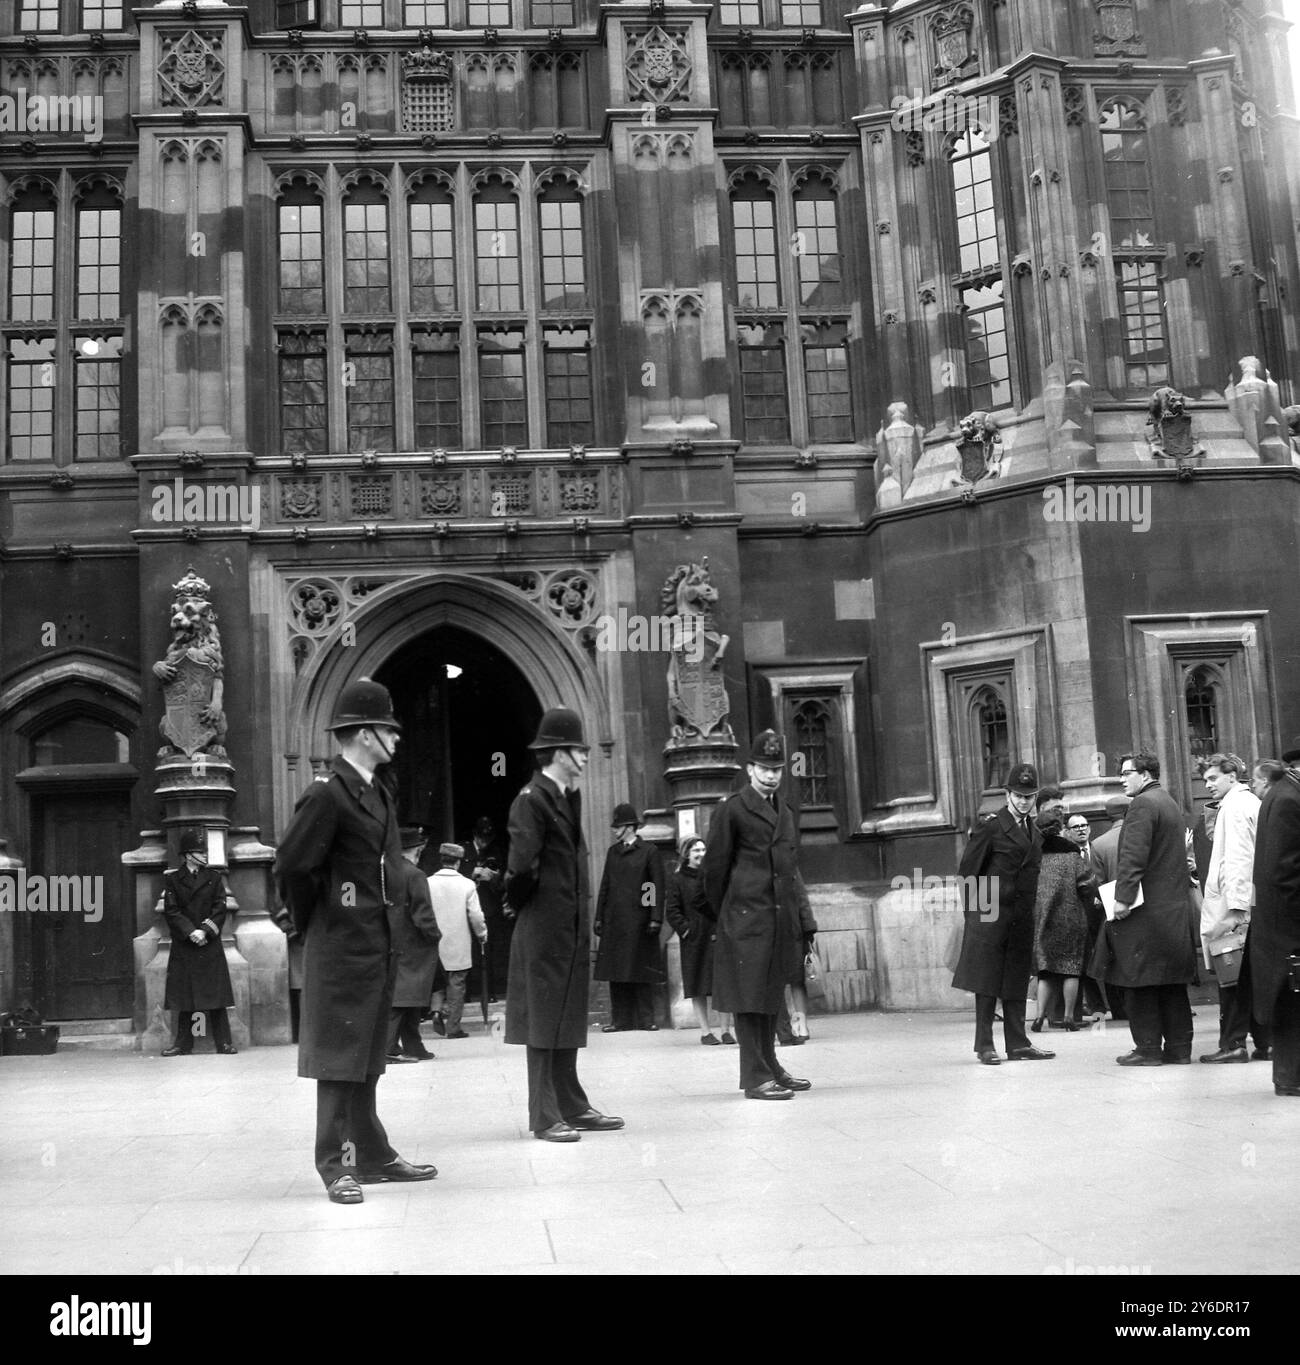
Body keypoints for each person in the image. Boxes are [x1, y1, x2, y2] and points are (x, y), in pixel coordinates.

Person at [273, 678, 438, 1204]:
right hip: (342, 946)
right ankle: (335, 1163)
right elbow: (292, 866)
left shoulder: (376, 790)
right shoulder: (327, 793)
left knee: (367, 1056)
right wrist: (316, 923)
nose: (397, 738)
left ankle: (372, 1153)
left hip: (377, 945)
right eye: (390, 729)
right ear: (366, 734)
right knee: (340, 1060)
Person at [504, 707, 623, 1141]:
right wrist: (529, 910)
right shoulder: (531, 799)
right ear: (558, 753)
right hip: (543, 928)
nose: (586, 758)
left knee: (566, 1015)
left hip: (566, 927)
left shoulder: (563, 796)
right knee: (543, 1020)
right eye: (579, 750)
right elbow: (521, 869)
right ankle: (545, 1115)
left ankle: (571, 1103)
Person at [704, 730, 817, 1100]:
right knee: (749, 1000)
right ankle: (754, 1077)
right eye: (764, 769)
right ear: (749, 768)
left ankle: (771, 1066)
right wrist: (730, 913)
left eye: (777, 769)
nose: (771, 776)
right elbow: (714, 871)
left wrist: (801, 922)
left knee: (769, 996)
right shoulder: (732, 809)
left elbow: (791, 868)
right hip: (745, 921)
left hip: (778, 920)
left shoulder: (784, 810)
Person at [951, 762, 1055, 1065]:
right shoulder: (991, 826)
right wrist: (976, 917)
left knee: (1016, 980)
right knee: (986, 982)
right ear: (1008, 794)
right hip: (990, 917)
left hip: (1020, 919)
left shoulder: (1034, 831)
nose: (1024, 801)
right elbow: (967, 874)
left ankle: (1018, 1044)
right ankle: (984, 1045)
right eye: (1019, 796)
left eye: (1030, 796)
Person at [1099, 751, 1197, 1066]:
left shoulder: (1142, 805)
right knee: (1170, 983)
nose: (1122, 779)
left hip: (1147, 912)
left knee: (1138, 980)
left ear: (1145, 774)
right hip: (1172, 912)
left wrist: (1123, 900)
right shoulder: (1167, 802)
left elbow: (1133, 858)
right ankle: (1180, 1049)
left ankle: (1148, 1049)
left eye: (1126, 773)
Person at [1249, 739, 1300, 1097]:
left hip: (1282, 923)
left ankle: (1290, 1076)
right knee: (1293, 1002)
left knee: (1292, 1001)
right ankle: (1291, 1077)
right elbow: (1285, 871)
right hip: (1289, 924)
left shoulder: (1284, 793)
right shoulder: (1288, 799)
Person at [158, 828, 237, 1056]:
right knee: (186, 997)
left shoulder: (214, 878)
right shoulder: (173, 879)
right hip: (186, 944)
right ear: (188, 854)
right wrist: (190, 932)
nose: (204, 856)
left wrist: (204, 931)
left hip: (208, 943)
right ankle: (184, 1043)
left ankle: (223, 1042)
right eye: (200, 852)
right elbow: (171, 911)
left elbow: (220, 908)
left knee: (215, 994)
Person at [594, 803, 666, 1032]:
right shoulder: (613, 852)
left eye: (617, 826)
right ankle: (620, 1020)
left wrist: (654, 917)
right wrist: (599, 917)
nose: (614, 830)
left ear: (628, 827)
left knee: (641, 970)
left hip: (638, 921)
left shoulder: (648, 851)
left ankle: (647, 1019)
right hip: (615, 920)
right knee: (616, 972)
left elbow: (652, 885)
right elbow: (605, 886)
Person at [1030, 811, 1100, 1032]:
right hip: (1071, 919)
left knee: (1046, 970)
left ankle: (1040, 1016)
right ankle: (1069, 1016)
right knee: (1071, 969)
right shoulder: (1072, 854)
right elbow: (1087, 885)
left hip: (1042, 918)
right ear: (1061, 828)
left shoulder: (1034, 856)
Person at [665, 835, 734, 1045]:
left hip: (716, 935)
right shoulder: (677, 879)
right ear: (686, 854)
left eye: (704, 850)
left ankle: (725, 1030)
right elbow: (672, 910)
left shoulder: (713, 876)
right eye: (696, 851)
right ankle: (705, 1032)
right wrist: (687, 930)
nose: (701, 855)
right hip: (695, 939)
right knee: (698, 985)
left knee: (723, 984)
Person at [386, 831, 441, 1063]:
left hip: (393, 941)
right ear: (417, 851)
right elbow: (423, 914)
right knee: (404, 998)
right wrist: (434, 935)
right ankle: (387, 1047)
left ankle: (413, 1045)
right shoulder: (415, 874)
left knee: (408, 997)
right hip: (414, 945)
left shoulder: (387, 872)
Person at [428, 842, 487, 1040]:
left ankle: (436, 1011)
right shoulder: (467, 885)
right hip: (458, 943)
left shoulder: (428, 883)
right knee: (457, 984)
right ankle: (453, 1027)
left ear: (441, 859)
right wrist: (482, 934)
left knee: (437, 981)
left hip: (434, 942)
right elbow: (476, 916)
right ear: (459, 862)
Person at [1064, 813, 1108, 1022]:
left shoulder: (1098, 850)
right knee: (1083, 962)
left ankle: (1104, 1006)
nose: (1081, 829)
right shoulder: (1069, 856)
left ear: (1089, 829)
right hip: (1078, 915)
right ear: (1068, 831)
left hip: (1101, 914)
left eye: (1084, 826)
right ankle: (1091, 1007)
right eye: (1075, 827)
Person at [460, 817, 509, 1003]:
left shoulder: (496, 852)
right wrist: (472, 875)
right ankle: (466, 994)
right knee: (466, 952)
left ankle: (488, 993)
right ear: (475, 835)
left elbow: (505, 881)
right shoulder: (464, 849)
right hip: (466, 908)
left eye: (487, 839)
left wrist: (494, 878)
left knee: (488, 951)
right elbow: (456, 876)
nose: (484, 842)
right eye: (481, 838)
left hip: (489, 907)